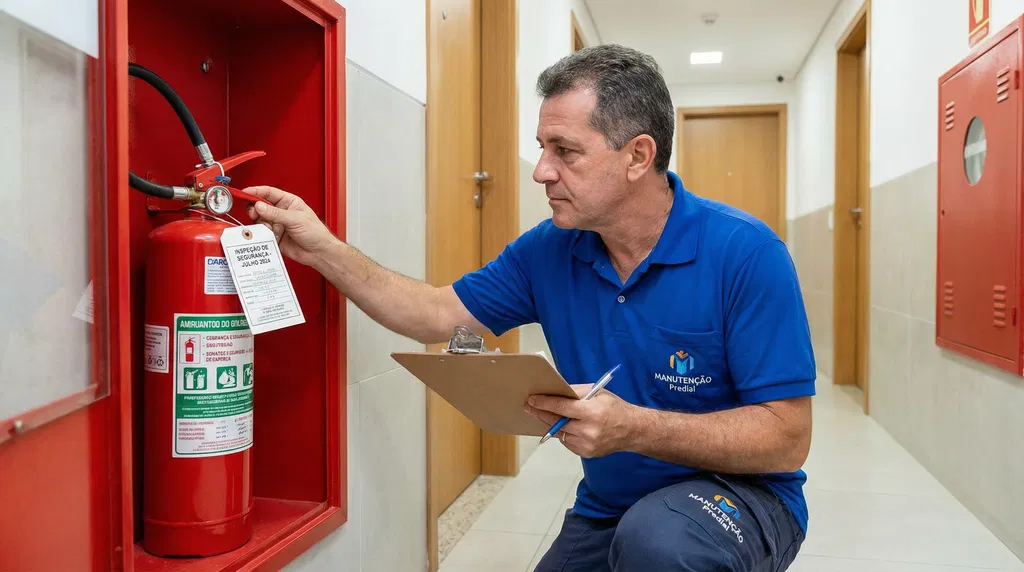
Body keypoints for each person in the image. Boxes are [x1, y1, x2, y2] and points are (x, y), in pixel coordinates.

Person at [245, 44, 815, 572]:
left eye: (564, 151)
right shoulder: (549, 250)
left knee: (659, 544)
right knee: (640, 533)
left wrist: (634, 428)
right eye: (543, 148)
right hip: (613, 503)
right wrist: (323, 249)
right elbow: (434, 314)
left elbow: (786, 439)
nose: (542, 170)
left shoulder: (745, 253)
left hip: (741, 494)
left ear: (638, 156)